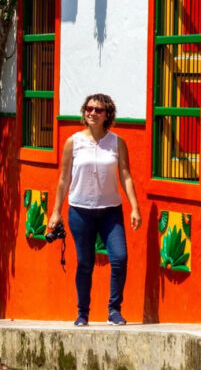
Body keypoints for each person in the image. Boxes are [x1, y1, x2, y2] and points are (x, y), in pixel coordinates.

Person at [47, 93, 141, 326]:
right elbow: (63, 179)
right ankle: (82, 313)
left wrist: (134, 208)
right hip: (80, 210)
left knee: (119, 257)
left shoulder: (117, 143)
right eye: (89, 109)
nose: (92, 113)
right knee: (85, 263)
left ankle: (114, 310)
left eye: (98, 110)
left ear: (107, 114)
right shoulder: (73, 142)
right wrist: (56, 211)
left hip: (111, 211)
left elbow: (126, 175)